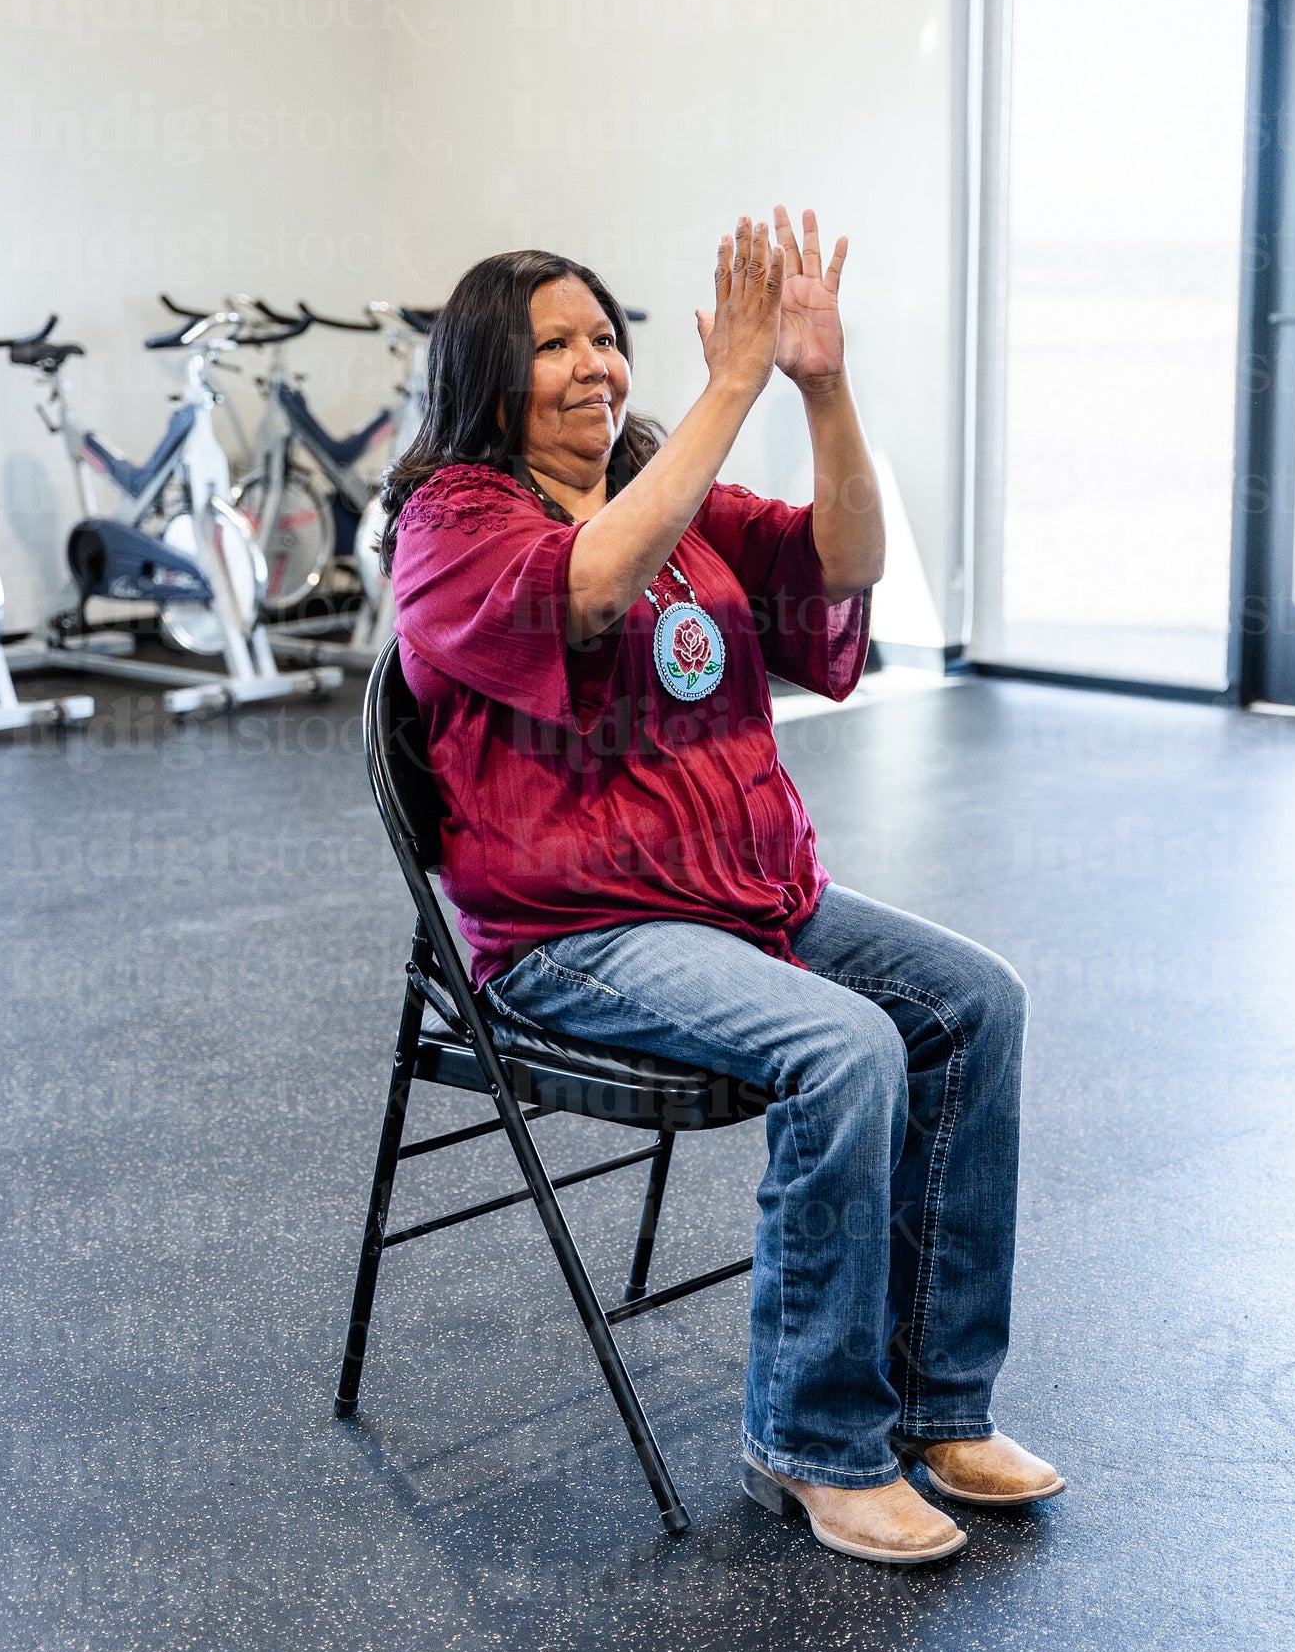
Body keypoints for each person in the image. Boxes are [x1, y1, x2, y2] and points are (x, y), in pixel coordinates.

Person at [383, 208, 1062, 1564]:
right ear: (484, 376)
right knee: (844, 1043)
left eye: (606, 336)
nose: (597, 364)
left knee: (975, 1002)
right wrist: (733, 382)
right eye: (555, 345)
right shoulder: (451, 523)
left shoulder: (672, 502)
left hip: (746, 896)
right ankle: (811, 1440)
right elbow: (584, 585)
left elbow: (849, 562)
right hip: (575, 932)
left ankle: (935, 1405)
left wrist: (819, 383)